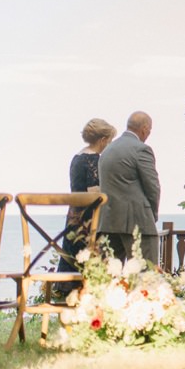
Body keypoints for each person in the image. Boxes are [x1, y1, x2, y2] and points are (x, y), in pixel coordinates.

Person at [98, 111, 161, 263]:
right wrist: (152, 214)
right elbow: (152, 187)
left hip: (108, 222)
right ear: (144, 129)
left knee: (109, 278)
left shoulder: (107, 150)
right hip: (138, 221)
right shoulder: (141, 149)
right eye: (149, 131)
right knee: (146, 275)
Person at [60, 118, 115, 287]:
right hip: (88, 218)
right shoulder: (93, 159)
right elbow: (94, 193)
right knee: (91, 263)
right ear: (103, 140)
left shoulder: (77, 157)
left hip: (74, 215)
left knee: (72, 261)